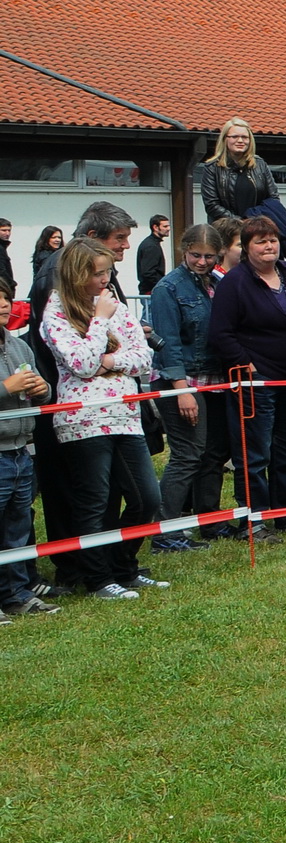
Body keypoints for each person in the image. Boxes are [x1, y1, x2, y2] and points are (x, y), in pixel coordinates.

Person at [40, 241, 165, 600]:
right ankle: (98, 579)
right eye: (97, 273)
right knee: (94, 502)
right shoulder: (56, 312)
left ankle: (123, 566)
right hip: (82, 419)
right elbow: (79, 364)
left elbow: (143, 359)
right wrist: (99, 321)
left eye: (108, 271)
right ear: (76, 274)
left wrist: (108, 362)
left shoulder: (115, 304)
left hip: (125, 415)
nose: (105, 279)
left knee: (146, 498)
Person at [29, 201, 136, 597]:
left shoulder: (101, 276)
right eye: (119, 238)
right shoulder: (56, 278)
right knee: (78, 491)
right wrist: (101, 349)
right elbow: (74, 357)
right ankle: (78, 568)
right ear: (92, 238)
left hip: (116, 404)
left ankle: (112, 563)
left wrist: (113, 357)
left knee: (122, 491)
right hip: (69, 403)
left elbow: (136, 351)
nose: (125, 246)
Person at [208, 217, 286, 539]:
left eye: (273, 240)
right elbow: (221, 333)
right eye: (260, 241)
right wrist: (248, 365)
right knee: (254, 453)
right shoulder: (235, 282)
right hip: (257, 378)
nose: (269, 246)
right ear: (246, 247)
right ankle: (252, 520)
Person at [149, 225, 227, 551]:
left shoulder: (219, 282)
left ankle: (209, 521)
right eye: (196, 255)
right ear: (184, 250)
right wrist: (181, 390)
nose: (202, 262)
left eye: (209, 256)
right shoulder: (167, 288)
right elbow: (167, 344)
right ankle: (164, 533)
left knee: (213, 454)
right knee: (187, 455)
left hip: (215, 378)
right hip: (180, 380)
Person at [0, 275, 54, 619]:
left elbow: (44, 391)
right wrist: (7, 386)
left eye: (6, 298)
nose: (3, 305)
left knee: (18, 529)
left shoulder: (19, 346)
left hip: (20, 452)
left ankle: (17, 594)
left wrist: (41, 389)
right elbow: (8, 387)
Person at [199, 117, 286, 264]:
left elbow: (273, 198)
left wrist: (257, 223)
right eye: (235, 136)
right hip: (227, 235)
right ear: (225, 139)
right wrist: (240, 223)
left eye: (245, 137)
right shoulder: (212, 168)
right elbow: (212, 204)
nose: (240, 140)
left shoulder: (260, 165)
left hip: (257, 232)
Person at [135, 214, 171, 296]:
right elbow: (148, 273)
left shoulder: (152, 244)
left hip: (151, 291)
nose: (168, 229)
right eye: (165, 226)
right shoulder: (151, 246)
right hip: (151, 292)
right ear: (155, 227)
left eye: (168, 226)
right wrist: (163, 286)